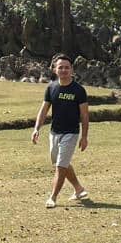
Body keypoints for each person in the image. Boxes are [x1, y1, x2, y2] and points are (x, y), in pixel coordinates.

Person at [32, 54, 90, 208]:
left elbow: (84, 115)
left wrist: (84, 137)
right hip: (54, 133)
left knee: (60, 166)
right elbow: (43, 110)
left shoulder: (79, 90)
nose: (64, 70)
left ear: (72, 70)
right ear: (55, 70)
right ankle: (78, 189)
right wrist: (36, 128)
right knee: (59, 162)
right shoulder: (51, 87)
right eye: (60, 67)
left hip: (71, 133)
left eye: (67, 67)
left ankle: (53, 197)